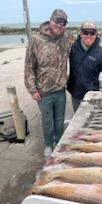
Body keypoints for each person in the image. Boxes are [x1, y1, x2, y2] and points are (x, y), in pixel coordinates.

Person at [24, 9, 74, 159]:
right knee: (47, 122)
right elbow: (29, 67)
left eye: (63, 22)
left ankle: (58, 142)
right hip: (43, 92)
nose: (60, 25)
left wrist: (98, 46)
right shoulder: (36, 40)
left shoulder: (67, 37)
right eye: (57, 21)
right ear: (50, 20)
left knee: (59, 120)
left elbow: (83, 44)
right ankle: (48, 145)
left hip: (60, 90)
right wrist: (32, 89)